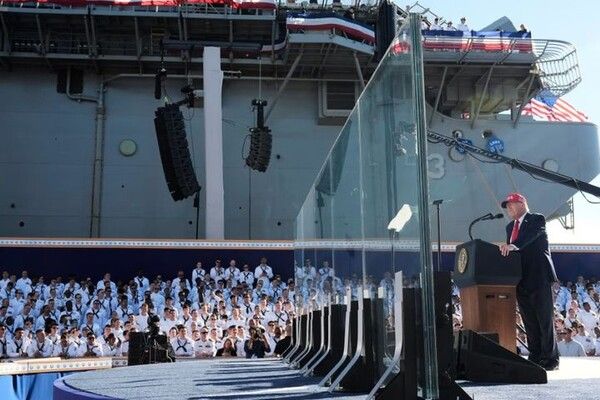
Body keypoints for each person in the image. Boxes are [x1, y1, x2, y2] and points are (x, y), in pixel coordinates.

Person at [499, 193, 559, 370]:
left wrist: (513, 245)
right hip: (520, 279)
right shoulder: (510, 227)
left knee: (544, 319)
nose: (508, 208)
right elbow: (511, 252)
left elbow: (530, 237)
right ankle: (535, 355)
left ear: (522, 203)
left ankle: (550, 359)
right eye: (507, 206)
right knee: (529, 320)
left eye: (511, 204)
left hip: (539, 276)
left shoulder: (536, 219)